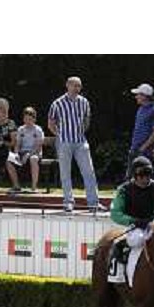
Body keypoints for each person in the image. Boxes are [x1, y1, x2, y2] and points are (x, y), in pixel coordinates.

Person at [48, 76, 106, 213]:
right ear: (67, 86)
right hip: (64, 142)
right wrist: (60, 135)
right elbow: (51, 123)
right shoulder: (57, 103)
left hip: (81, 142)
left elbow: (87, 119)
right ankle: (68, 202)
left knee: (89, 172)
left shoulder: (84, 102)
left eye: (79, 86)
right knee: (65, 173)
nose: (76, 88)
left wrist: (81, 132)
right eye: (74, 85)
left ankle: (94, 203)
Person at [6, 106, 44, 193]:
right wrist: (16, 154)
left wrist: (28, 154)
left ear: (34, 119)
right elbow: (17, 144)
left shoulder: (38, 129)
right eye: (26, 119)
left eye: (30, 119)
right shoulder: (21, 129)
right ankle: (16, 186)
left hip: (35, 153)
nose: (28, 121)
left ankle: (34, 187)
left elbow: (38, 146)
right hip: (22, 153)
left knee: (33, 159)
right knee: (8, 159)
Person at [127, 83, 154, 178]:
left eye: (138, 94)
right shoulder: (140, 109)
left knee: (143, 178)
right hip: (135, 148)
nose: (136, 97)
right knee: (130, 177)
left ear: (145, 96)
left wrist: (144, 147)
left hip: (146, 151)